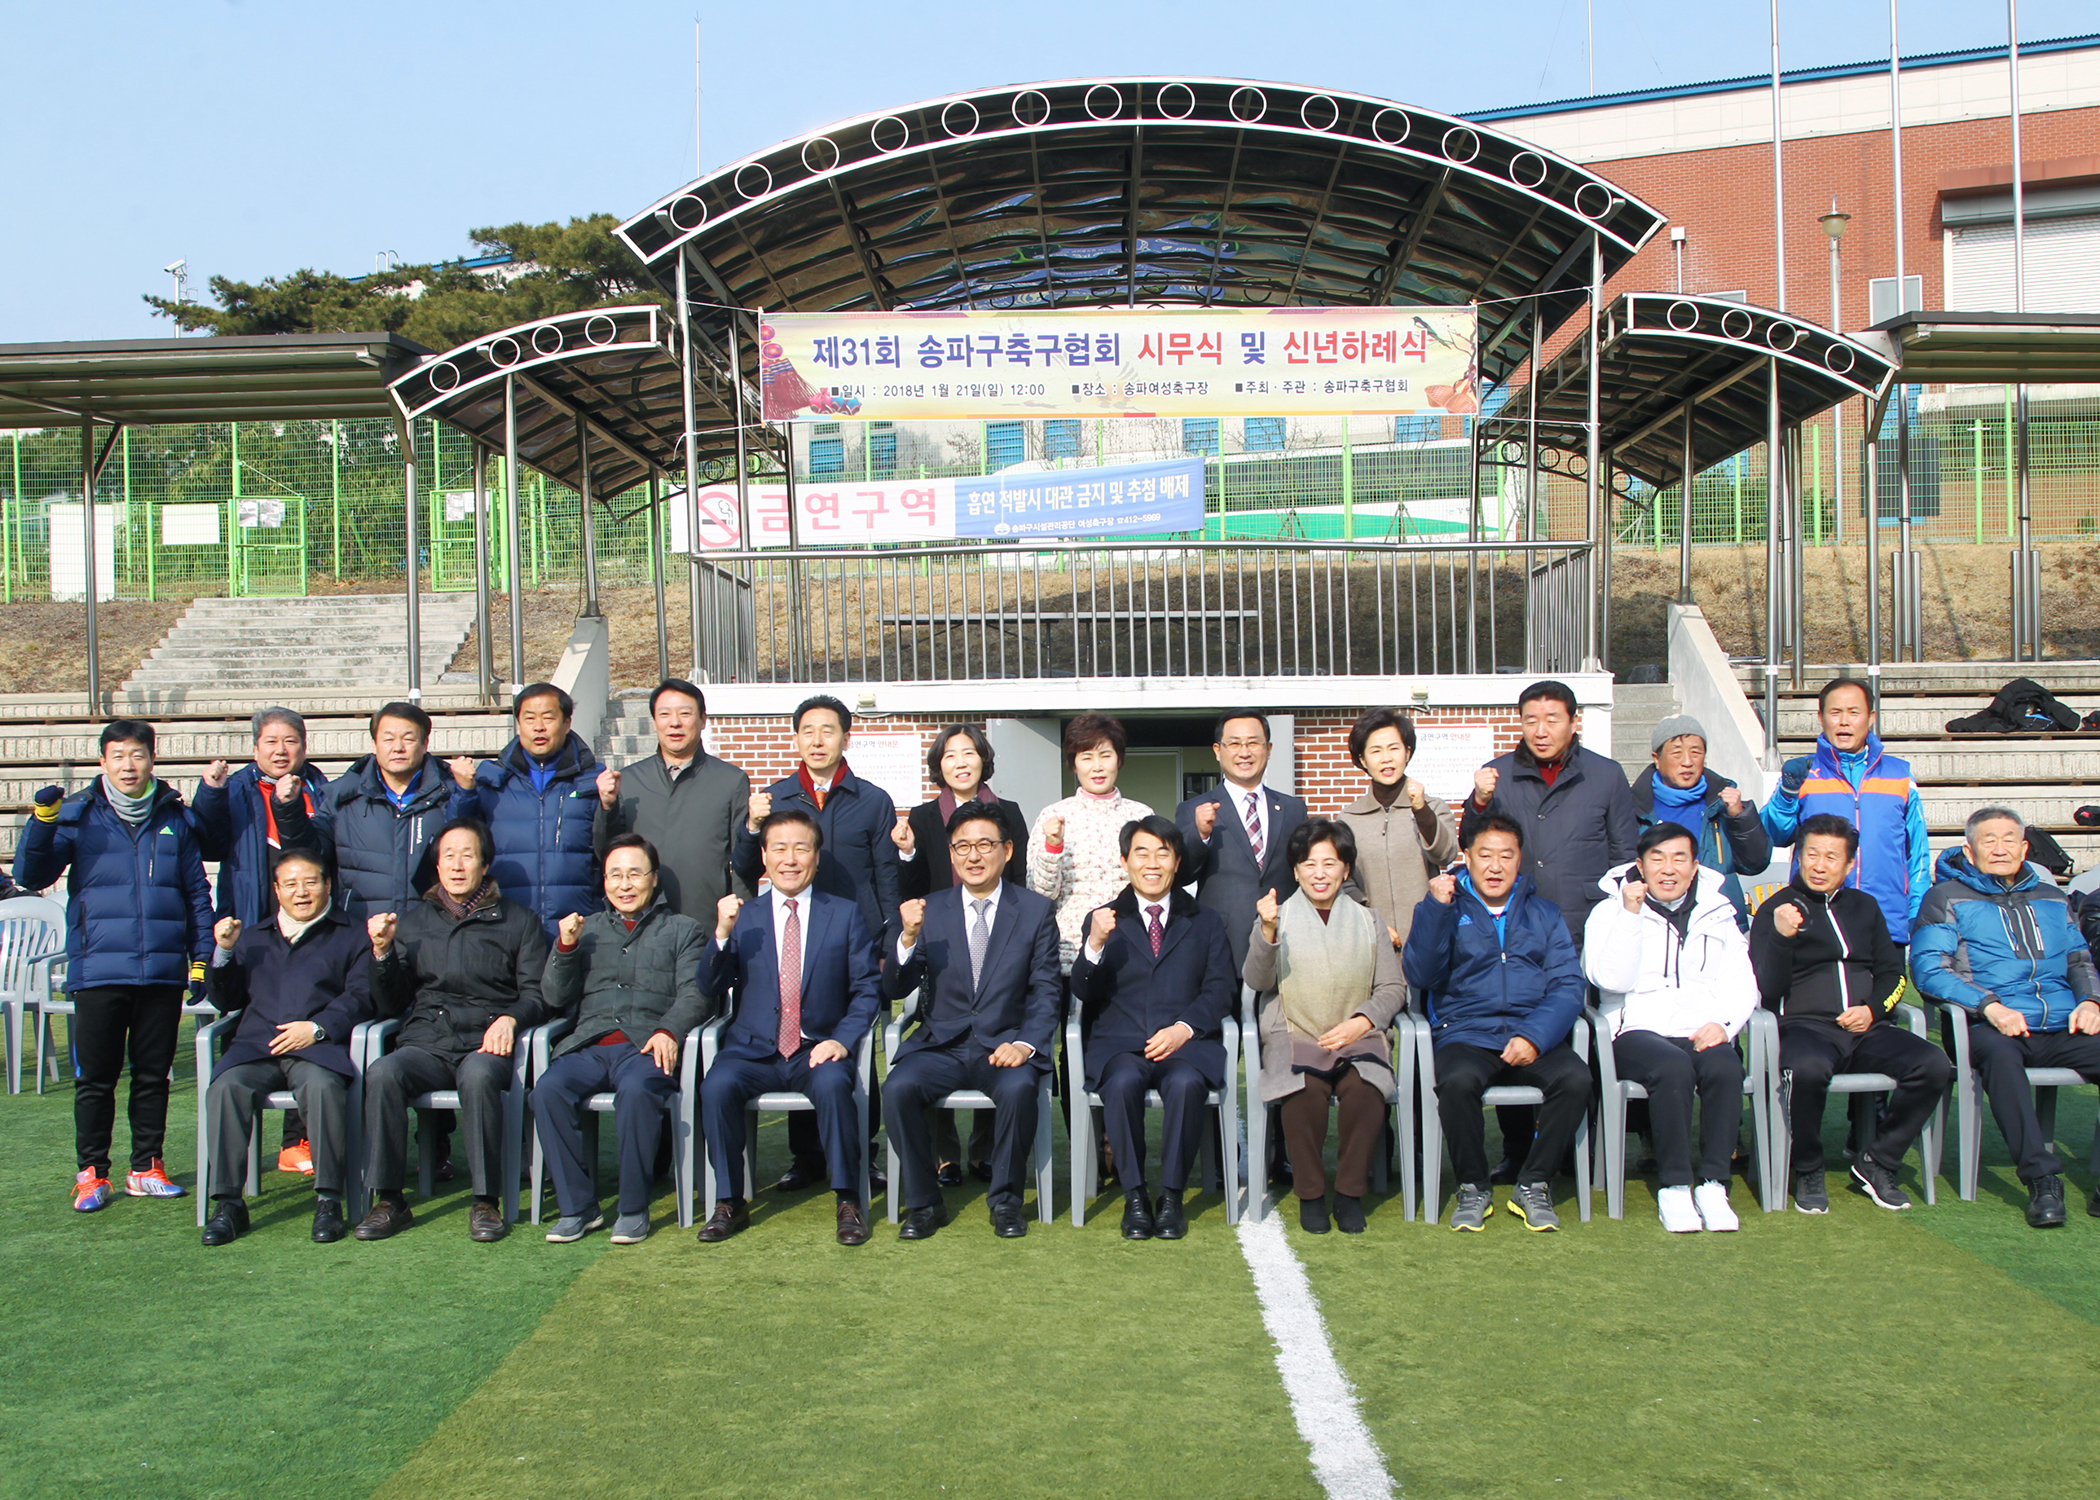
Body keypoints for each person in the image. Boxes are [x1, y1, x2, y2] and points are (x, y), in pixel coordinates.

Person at [17, 719, 214, 1211]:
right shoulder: (78, 816)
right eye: (118, 756)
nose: (129, 765)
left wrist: (201, 958)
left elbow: (196, 893)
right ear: (102, 761)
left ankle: (146, 1167)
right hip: (99, 969)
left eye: (138, 755)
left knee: (153, 1075)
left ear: (153, 758)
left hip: (162, 972)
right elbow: (29, 873)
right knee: (96, 1079)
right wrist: (41, 823)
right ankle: (92, 1173)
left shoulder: (176, 819)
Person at [1458, 679, 1632, 1180]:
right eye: (1530, 719)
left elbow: (1624, 854)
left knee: (1587, 1044)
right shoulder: (1499, 776)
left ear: (1575, 721)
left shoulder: (1606, 775)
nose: (1540, 729)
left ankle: (1589, 1149)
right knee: (1516, 1030)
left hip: (1585, 929)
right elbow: (1474, 845)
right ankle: (1517, 1151)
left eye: (1552, 718)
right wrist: (1477, 800)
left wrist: (1613, 914)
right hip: (1515, 931)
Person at [730, 693, 899, 1192]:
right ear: (795, 738)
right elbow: (743, 866)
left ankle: (860, 1154)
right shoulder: (776, 796)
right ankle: (806, 1158)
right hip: (789, 937)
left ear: (846, 737)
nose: (818, 740)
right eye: (808, 730)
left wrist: (887, 938)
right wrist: (751, 826)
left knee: (849, 1046)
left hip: (853, 938)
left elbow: (886, 876)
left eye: (828, 730)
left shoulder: (872, 799)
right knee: (795, 1036)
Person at [355, 818, 551, 1243]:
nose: (457, 865)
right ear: (436, 866)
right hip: (427, 1040)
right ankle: (389, 1199)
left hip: (486, 1041)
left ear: (485, 864)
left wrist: (510, 1018)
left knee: (479, 1077)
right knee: (384, 1073)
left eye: (467, 855)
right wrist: (383, 954)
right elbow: (390, 1003)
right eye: (448, 856)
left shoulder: (519, 921)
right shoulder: (412, 922)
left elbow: (538, 993)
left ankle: (485, 1202)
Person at [1748, 814, 1950, 1215]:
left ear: (1849, 863)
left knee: (1933, 1064)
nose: (1820, 865)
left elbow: (1893, 973)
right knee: (1807, 1070)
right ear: (1798, 857)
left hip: (1866, 1028)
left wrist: (1873, 1010)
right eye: (1812, 855)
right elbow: (1766, 988)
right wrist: (1784, 939)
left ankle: (1879, 1161)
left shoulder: (1864, 906)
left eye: (1831, 857)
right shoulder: (1775, 910)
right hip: (1803, 1028)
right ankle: (1807, 1166)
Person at [700, 808, 882, 1247]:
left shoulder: (844, 914)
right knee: (716, 1087)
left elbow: (867, 989)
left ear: (817, 857)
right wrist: (722, 935)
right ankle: (729, 1200)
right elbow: (709, 984)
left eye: (801, 848)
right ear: (763, 857)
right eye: (779, 848)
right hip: (752, 1049)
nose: (790, 858)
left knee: (837, 1085)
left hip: (813, 1047)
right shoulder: (744, 916)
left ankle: (847, 1198)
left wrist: (841, 1039)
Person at [1910, 807, 2100, 1228]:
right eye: (1989, 840)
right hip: (1988, 1026)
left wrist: (2091, 1001)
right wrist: (1991, 1006)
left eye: (2009, 839)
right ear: (1970, 849)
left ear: (2025, 847)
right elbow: (1929, 970)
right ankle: (2042, 1180)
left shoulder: (2053, 898)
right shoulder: (1945, 897)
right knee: (2001, 1058)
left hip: (2060, 1023)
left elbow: (2079, 959)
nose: (2000, 849)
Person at [1403, 813, 1589, 1233]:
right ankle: (1473, 1184)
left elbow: (1566, 984)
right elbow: (1422, 975)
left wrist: (1535, 1036)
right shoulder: (1442, 906)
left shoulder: (1543, 913)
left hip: (1531, 1032)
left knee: (1575, 1079)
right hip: (1466, 1032)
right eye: (1484, 855)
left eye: (1507, 856)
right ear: (1465, 857)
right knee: (1456, 1081)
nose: (1495, 866)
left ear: (1520, 860)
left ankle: (1534, 1182)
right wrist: (1436, 910)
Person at [884, 804, 1062, 1240]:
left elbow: (1046, 990)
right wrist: (905, 939)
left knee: (1020, 1089)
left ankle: (1004, 1202)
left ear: (1007, 851)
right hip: (941, 1043)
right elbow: (895, 985)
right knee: (897, 1089)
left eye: (985, 845)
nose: (973, 856)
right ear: (950, 854)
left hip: (1003, 1044)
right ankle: (925, 1204)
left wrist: (1026, 1044)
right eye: (962, 846)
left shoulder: (1035, 911)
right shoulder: (932, 910)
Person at [532, 833, 712, 1246]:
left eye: (635, 874)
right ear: (604, 882)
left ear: (653, 879)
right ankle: (579, 1208)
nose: (625, 884)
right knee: (547, 1090)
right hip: (590, 1044)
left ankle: (633, 1207)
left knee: (636, 1091)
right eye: (615, 875)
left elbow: (695, 993)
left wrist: (668, 1030)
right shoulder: (586, 929)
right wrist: (565, 947)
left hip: (646, 1046)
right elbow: (555, 998)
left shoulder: (683, 930)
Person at [1581, 823, 1756, 1233]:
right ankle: (1675, 1185)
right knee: (1672, 1067)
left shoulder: (1719, 912)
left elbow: (1741, 979)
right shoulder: (1610, 910)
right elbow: (1611, 980)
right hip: (1634, 1030)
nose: (1668, 868)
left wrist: (1725, 1024)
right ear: (1640, 866)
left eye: (1679, 858)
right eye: (1657, 859)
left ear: (1695, 867)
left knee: (1725, 1066)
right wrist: (1630, 914)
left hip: (1699, 1026)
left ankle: (1714, 1182)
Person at [1068, 815, 1235, 1241]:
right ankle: (1136, 1197)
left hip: (1185, 1044)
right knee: (1122, 1083)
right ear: (1125, 860)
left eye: (1164, 853)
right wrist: (1095, 946)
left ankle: (1172, 1198)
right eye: (1142, 852)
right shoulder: (1103, 919)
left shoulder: (1206, 921)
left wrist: (1184, 1028)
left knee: (1184, 1085)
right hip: (1120, 1043)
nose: (1152, 862)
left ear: (1177, 862)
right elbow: (1084, 991)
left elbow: (1219, 991)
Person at [199, 845, 372, 1246]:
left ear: (327, 884)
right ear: (276, 890)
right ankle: (228, 1203)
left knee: (323, 1088)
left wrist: (317, 1028)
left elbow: (360, 995)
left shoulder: (351, 934)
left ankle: (329, 1199)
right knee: (225, 1088)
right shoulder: (253, 937)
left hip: (316, 1048)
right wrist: (223, 952)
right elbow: (227, 1001)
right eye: (290, 884)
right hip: (256, 1047)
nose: (301, 892)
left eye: (310, 882)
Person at [1242, 818, 1407, 1235]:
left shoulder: (1369, 920)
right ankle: (1311, 1194)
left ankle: (1350, 1193)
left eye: (1330, 863)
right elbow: (1258, 981)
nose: (1320, 873)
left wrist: (1361, 1022)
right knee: (1303, 1094)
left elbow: (1392, 986)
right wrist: (1267, 933)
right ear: (1296, 869)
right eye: (1309, 863)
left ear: (1346, 869)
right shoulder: (1275, 917)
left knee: (1365, 1092)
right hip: (1295, 1031)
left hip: (1356, 1036)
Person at [195, 706, 333, 1176]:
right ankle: (240, 1146)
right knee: (243, 1023)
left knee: (307, 1022)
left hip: (310, 926)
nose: (281, 750)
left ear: (304, 746)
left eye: (290, 741)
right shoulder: (234, 790)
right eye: (271, 742)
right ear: (255, 749)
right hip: (253, 923)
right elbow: (209, 842)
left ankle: (300, 1138)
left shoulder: (323, 790)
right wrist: (210, 793)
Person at [891, 723, 1029, 1185]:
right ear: (939, 765)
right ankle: (945, 1155)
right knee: (942, 1036)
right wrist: (908, 854)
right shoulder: (925, 819)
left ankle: (985, 1152)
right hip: (944, 948)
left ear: (983, 759)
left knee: (996, 1035)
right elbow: (910, 892)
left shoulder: (1008, 812)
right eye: (950, 755)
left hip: (998, 940)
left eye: (969, 753)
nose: (961, 762)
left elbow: (1021, 881)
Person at [1759, 678, 1930, 950]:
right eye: (1835, 712)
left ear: (1871, 718)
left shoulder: (1900, 774)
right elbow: (1774, 835)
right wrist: (1787, 792)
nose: (1844, 721)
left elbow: (1917, 851)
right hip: (1817, 919)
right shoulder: (1803, 773)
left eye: (1854, 712)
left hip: (1887, 919)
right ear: (1821, 717)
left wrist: (1916, 911)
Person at [447, 682, 603, 941]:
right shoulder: (491, 781)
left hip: (577, 927)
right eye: (529, 718)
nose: (538, 727)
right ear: (518, 725)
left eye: (548, 718)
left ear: (566, 723)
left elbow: (609, 846)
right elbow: (456, 840)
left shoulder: (593, 781)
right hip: (506, 928)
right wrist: (464, 792)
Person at [594, 678, 751, 923]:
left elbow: (744, 858)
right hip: (641, 922)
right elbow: (606, 852)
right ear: (654, 721)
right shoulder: (629, 781)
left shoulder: (731, 781)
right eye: (665, 714)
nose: (674, 723)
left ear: (702, 720)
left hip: (705, 919)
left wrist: (741, 916)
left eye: (685, 713)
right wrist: (606, 807)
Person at [1176, 709, 1308, 973]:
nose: (1244, 752)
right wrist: (1201, 835)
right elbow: (1181, 875)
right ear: (1217, 750)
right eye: (1234, 743)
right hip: (1223, 946)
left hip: (1286, 945)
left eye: (1253, 743)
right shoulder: (1193, 809)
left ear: (1268, 749)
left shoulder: (1294, 809)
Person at [1028, 713, 1154, 977]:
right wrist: (1053, 846)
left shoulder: (1141, 816)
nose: (1097, 766)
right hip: (1070, 951)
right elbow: (1040, 894)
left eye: (1105, 755)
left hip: (1131, 948)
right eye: (1086, 757)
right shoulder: (1054, 816)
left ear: (1119, 759)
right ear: (1073, 764)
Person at [311, 701, 455, 921]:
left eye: (408, 739)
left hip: (432, 932)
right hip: (362, 929)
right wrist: (287, 811)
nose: (398, 747)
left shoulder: (450, 795)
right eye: (388, 739)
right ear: (374, 744)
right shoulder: (343, 797)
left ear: (425, 743)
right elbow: (313, 852)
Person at [1334, 707, 1458, 953]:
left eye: (1394, 748)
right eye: (1376, 751)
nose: (1386, 758)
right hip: (1372, 942)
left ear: (1407, 753)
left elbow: (1446, 854)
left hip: (1429, 940)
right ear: (1362, 760)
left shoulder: (1432, 807)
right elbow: (1341, 880)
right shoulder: (1348, 818)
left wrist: (1421, 810)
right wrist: (1372, 920)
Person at [1631, 714, 1772, 931]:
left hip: (1719, 925)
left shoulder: (1722, 803)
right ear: (1656, 758)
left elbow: (1755, 863)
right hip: (1653, 925)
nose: (1687, 761)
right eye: (1676, 753)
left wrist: (1739, 817)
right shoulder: (1634, 807)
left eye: (1696, 752)